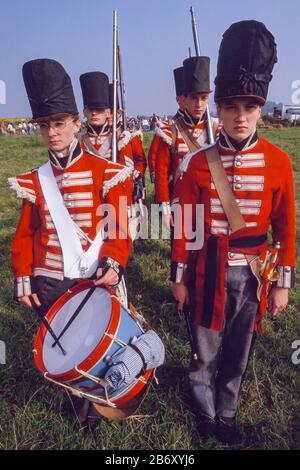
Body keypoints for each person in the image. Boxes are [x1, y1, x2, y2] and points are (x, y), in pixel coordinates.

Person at [171, 21, 296, 444]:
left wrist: (282, 284)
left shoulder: (279, 162)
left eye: (249, 107)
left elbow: (286, 229)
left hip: (255, 272)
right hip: (207, 269)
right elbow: (185, 228)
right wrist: (179, 279)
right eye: (230, 107)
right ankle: (203, 406)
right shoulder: (198, 163)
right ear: (218, 111)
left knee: (239, 348)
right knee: (204, 347)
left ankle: (227, 409)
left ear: (260, 109)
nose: (240, 117)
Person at [8, 58, 133, 425]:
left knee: (92, 343)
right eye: (44, 125)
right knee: (65, 344)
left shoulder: (107, 173)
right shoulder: (35, 179)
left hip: (92, 275)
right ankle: (79, 403)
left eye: (60, 123)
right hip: (49, 278)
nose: (52, 132)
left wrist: (113, 261)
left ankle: (97, 405)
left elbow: (119, 228)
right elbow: (26, 235)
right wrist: (23, 275)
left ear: (76, 123)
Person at [154, 57, 212, 230]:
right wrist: (164, 206)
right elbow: (162, 173)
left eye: (203, 98)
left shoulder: (216, 130)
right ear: (184, 99)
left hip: (210, 202)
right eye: (194, 98)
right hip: (179, 202)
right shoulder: (170, 131)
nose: (199, 104)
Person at [148, 66, 185, 185]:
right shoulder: (166, 127)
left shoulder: (209, 127)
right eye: (186, 98)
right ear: (178, 99)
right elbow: (153, 157)